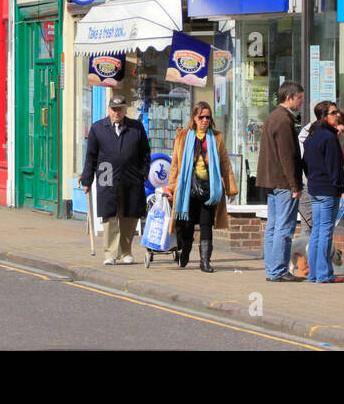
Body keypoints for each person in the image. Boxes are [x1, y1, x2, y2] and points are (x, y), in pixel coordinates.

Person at [163, 101, 237, 272]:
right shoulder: (182, 136)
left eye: (207, 117)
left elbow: (225, 165)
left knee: (206, 225)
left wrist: (230, 188)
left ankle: (205, 261)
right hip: (187, 189)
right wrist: (172, 188)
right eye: (201, 117)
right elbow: (175, 165)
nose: (204, 120)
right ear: (194, 118)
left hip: (209, 189)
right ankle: (186, 248)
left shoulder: (216, 138)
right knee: (187, 226)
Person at [80, 95, 151, 266]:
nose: (116, 112)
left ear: (125, 109)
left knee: (129, 215)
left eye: (120, 109)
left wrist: (143, 173)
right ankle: (110, 253)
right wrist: (87, 180)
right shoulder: (98, 128)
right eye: (114, 109)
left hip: (131, 176)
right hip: (107, 174)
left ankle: (126, 252)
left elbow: (145, 154)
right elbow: (91, 157)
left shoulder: (136, 128)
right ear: (109, 109)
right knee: (109, 215)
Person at [257, 81, 305, 281]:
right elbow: (288, 156)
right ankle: (278, 270)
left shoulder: (272, 118)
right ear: (289, 97)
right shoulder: (285, 121)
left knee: (273, 226)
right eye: (299, 98)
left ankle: (272, 269)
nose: (301, 102)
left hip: (271, 180)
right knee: (284, 228)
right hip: (283, 182)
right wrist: (295, 185)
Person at [303, 101, 344, 283]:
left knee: (316, 232)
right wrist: (341, 188)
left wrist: (312, 180)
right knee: (325, 233)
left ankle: (314, 274)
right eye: (334, 112)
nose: (338, 115)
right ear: (324, 116)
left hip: (315, 188)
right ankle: (324, 274)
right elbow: (335, 168)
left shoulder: (311, 136)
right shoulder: (329, 138)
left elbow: (304, 163)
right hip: (328, 190)